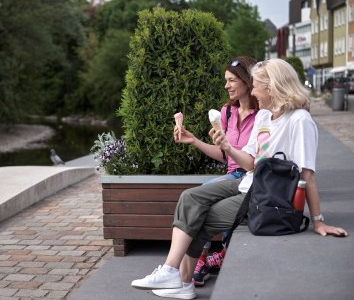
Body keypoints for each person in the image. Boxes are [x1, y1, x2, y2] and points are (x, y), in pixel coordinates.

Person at [131, 58, 348, 299]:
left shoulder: (299, 120)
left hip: (273, 198)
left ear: (272, 86)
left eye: (256, 85)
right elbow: (251, 162)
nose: (253, 90)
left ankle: (181, 280)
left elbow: (307, 174)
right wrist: (228, 147)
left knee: (202, 216)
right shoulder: (265, 117)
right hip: (251, 182)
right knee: (190, 197)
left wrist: (317, 221)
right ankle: (174, 274)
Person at [173, 56, 259, 286]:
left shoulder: (262, 115)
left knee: (201, 195)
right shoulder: (227, 113)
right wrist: (194, 141)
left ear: (247, 82)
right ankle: (199, 262)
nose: (226, 86)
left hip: (249, 175)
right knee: (202, 193)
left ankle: (206, 261)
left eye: (231, 81)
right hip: (233, 175)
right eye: (226, 80)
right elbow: (223, 154)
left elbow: (251, 158)